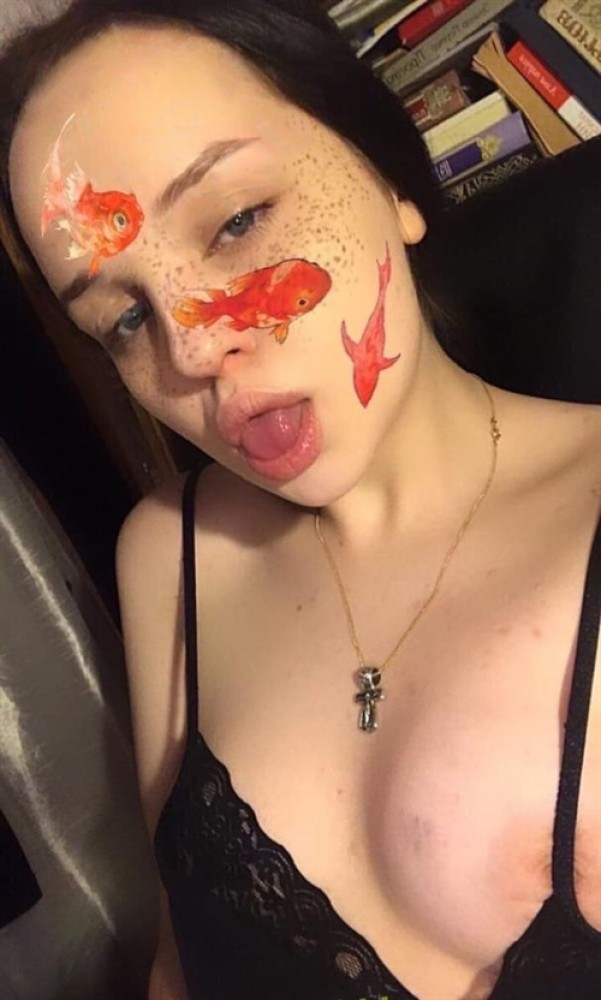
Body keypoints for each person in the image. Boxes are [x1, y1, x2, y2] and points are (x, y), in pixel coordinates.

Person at [1, 1, 599, 998]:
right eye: (123, 319)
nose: (195, 348)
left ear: (389, 179)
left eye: (237, 221)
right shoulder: (168, 554)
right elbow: (175, 966)